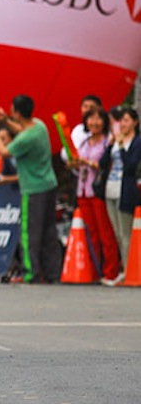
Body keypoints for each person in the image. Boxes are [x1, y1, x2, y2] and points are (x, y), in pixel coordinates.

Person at [0, 95, 62, 283]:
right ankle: (53, 272)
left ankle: (31, 272)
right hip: (49, 184)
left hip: (33, 188)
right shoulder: (39, 126)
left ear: (17, 112)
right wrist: (5, 119)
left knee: (29, 234)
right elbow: (21, 128)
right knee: (48, 231)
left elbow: (4, 151)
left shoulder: (25, 139)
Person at [70, 108, 120, 284]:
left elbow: (106, 164)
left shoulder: (108, 141)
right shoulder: (84, 142)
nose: (94, 123)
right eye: (91, 119)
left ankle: (110, 271)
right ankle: (94, 270)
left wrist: (88, 163)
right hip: (83, 190)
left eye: (98, 119)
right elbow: (78, 164)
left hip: (98, 190)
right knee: (91, 233)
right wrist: (76, 164)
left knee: (105, 232)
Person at [100, 106, 141, 284]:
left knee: (126, 235)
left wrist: (123, 147)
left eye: (125, 120)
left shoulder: (137, 142)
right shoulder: (115, 140)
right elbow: (103, 163)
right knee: (117, 234)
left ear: (134, 122)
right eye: (120, 121)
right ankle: (124, 268)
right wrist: (110, 146)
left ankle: (130, 269)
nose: (122, 124)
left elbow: (131, 165)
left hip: (126, 191)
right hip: (111, 189)